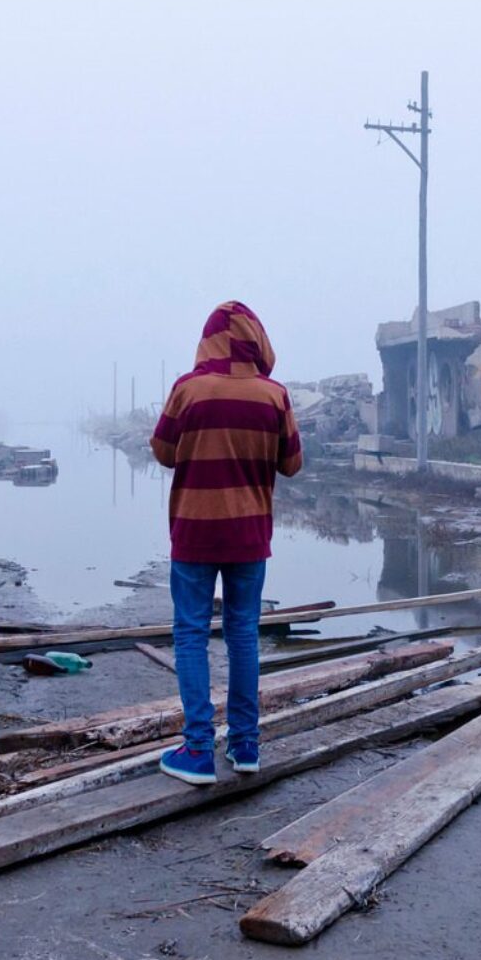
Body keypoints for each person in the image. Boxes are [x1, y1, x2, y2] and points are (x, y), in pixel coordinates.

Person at [149, 301, 303, 784]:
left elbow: (163, 453)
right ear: (257, 339)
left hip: (194, 530)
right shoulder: (274, 396)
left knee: (191, 634)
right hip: (249, 533)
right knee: (242, 634)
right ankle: (245, 745)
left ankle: (197, 750)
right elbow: (292, 464)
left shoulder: (187, 390)